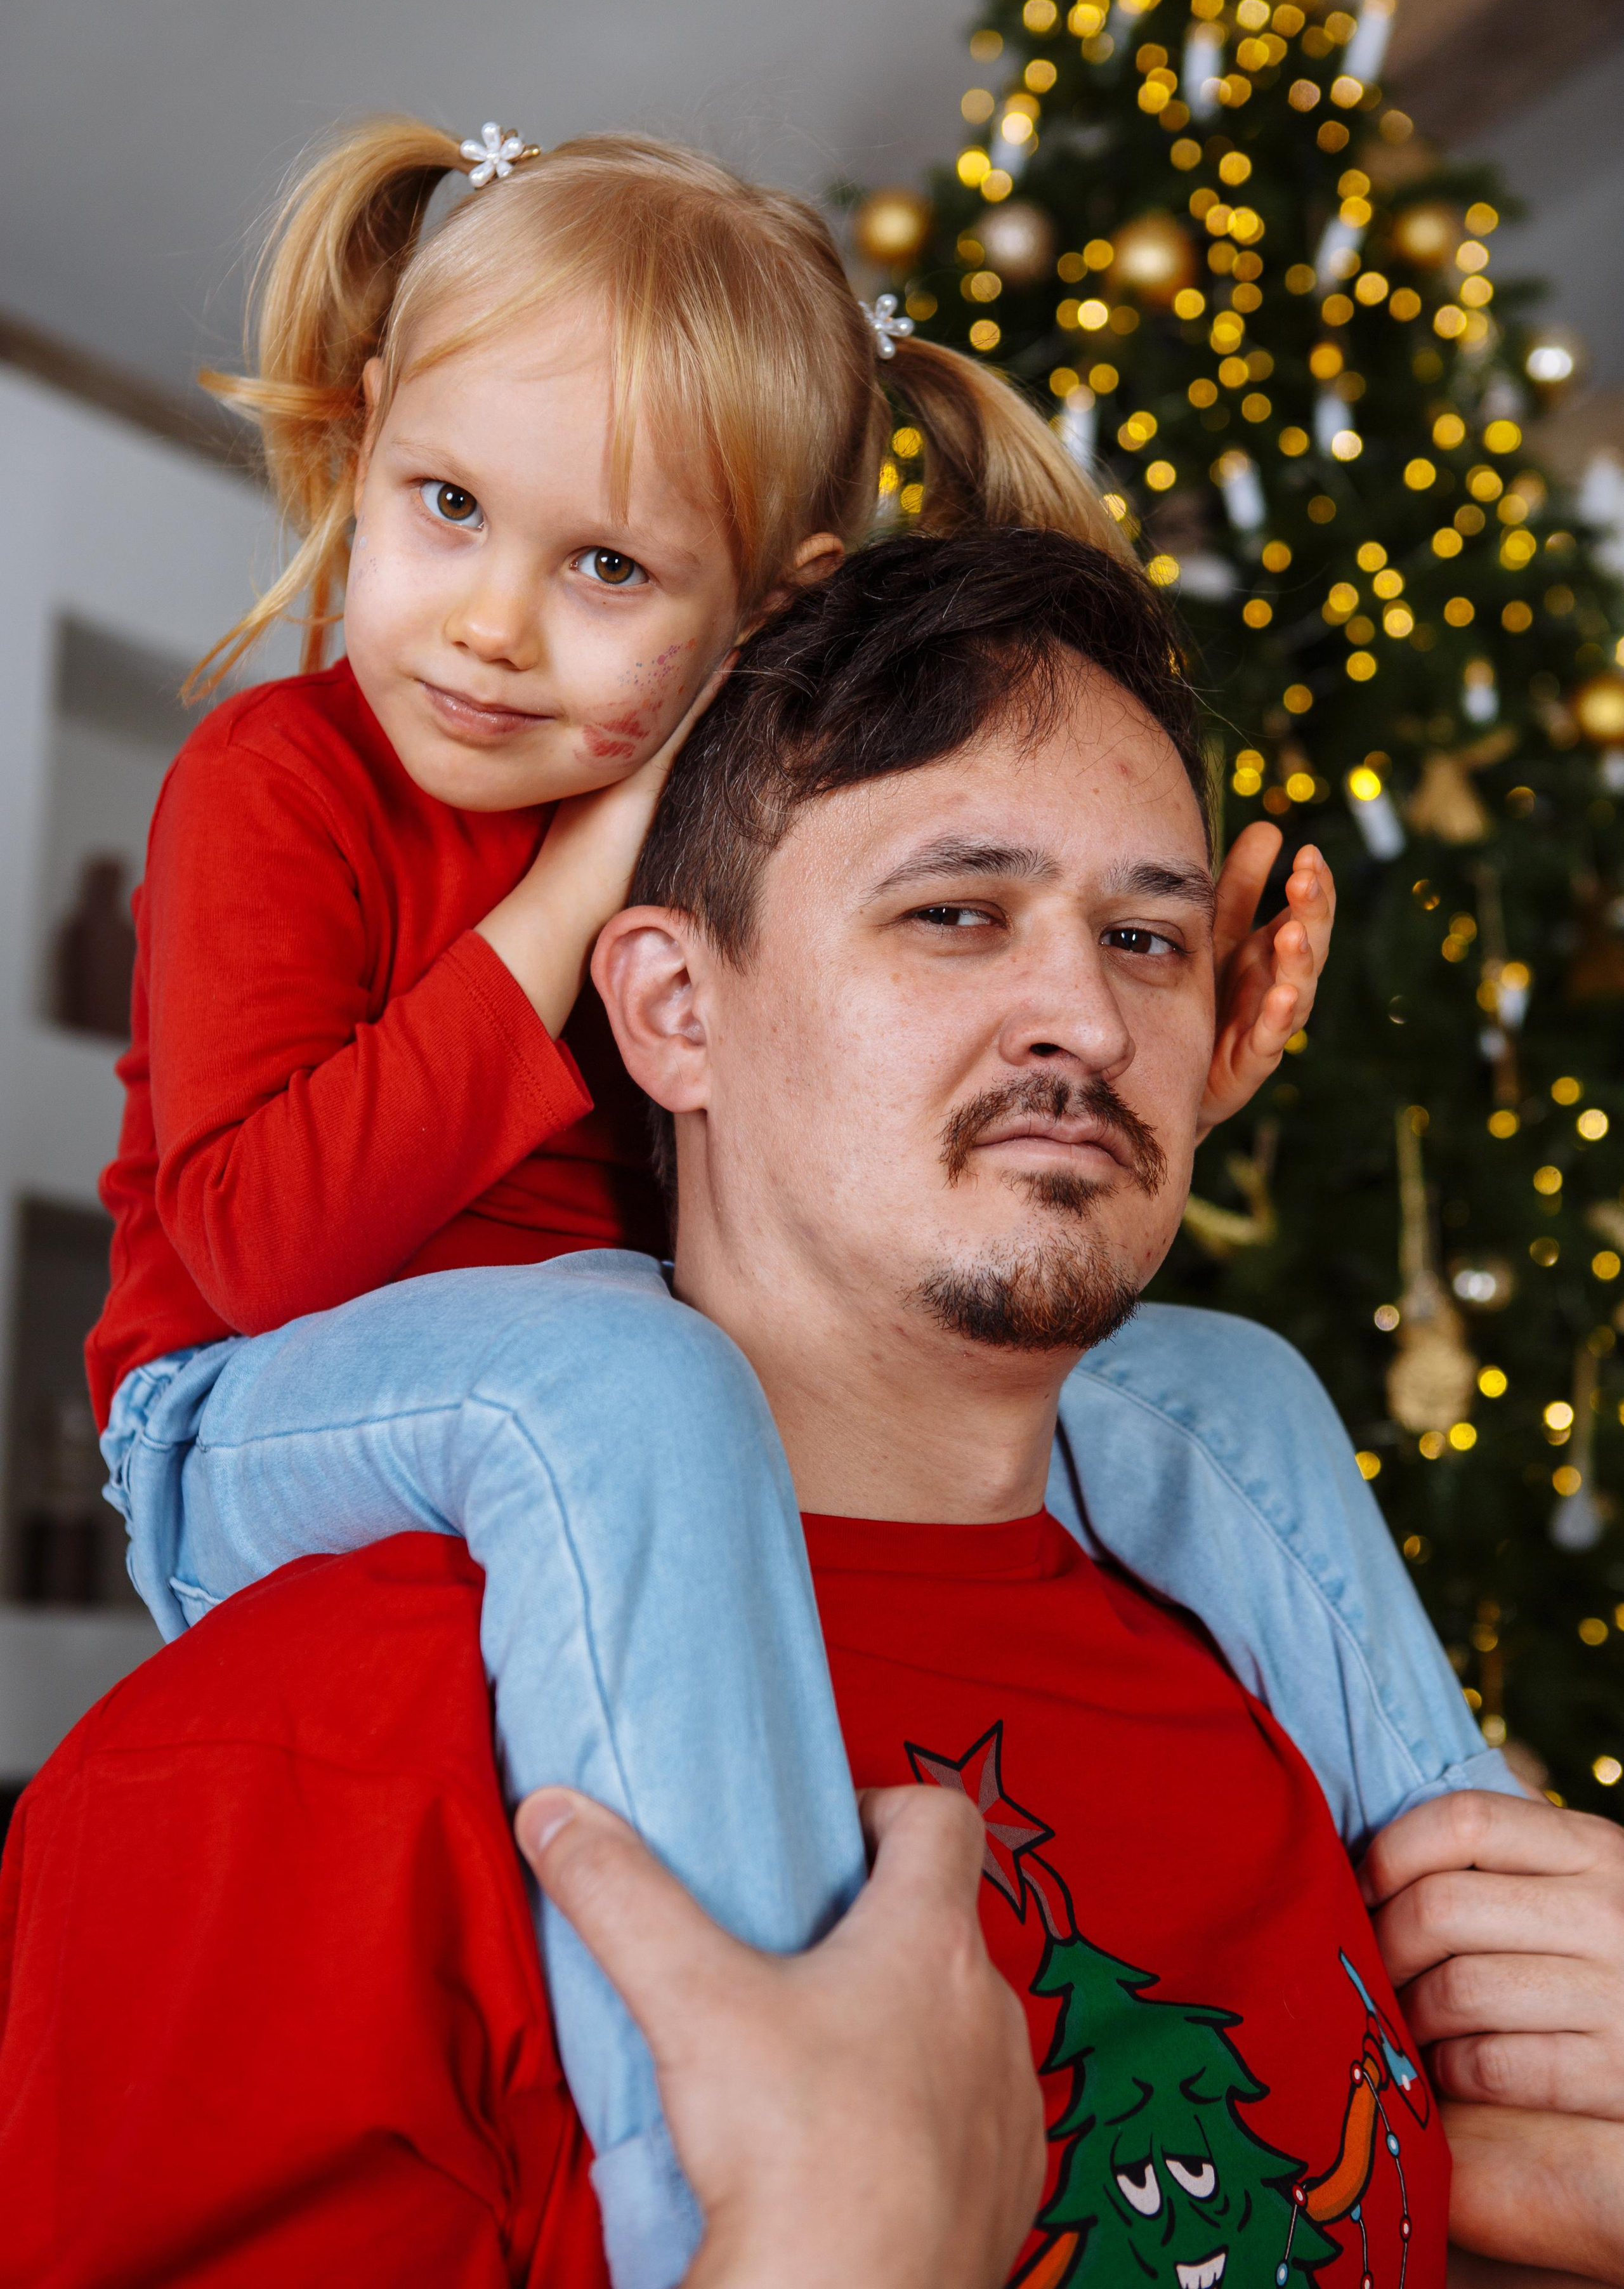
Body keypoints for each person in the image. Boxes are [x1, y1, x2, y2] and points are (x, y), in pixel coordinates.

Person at [14, 527, 1620, 2285]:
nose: (1084, 1013)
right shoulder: (296, 1757)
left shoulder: (1283, 1677)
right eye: (956, 914)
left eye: (1148, 937)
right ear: (674, 1010)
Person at [88, 115, 1341, 2281]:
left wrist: (1113, 1083)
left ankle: (1492, 1936)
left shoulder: (706, 881)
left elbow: (799, 1170)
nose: (488, 626)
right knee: (623, 1366)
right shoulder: (286, 782)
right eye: (450, 510)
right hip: (238, 1405)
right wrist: (582, 886)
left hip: (575, 1397)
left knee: (1225, 1385)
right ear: (369, 443)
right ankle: (745, 2144)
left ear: (755, 612)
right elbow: (260, 1255)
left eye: (606, 570)